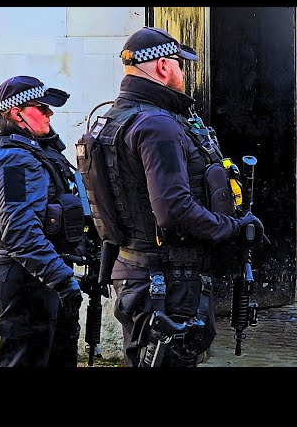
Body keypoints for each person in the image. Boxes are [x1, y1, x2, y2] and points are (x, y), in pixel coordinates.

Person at [80, 27, 266, 367]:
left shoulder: (113, 119)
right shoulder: (158, 125)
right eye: (180, 65)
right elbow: (175, 211)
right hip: (166, 283)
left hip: (139, 274)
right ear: (163, 67)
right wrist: (233, 228)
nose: (183, 74)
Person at [0, 75, 83, 367]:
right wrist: (62, 279)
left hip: (35, 276)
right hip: (24, 279)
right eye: (41, 107)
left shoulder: (29, 153)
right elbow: (20, 233)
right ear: (16, 113)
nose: (50, 113)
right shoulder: (13, 161)